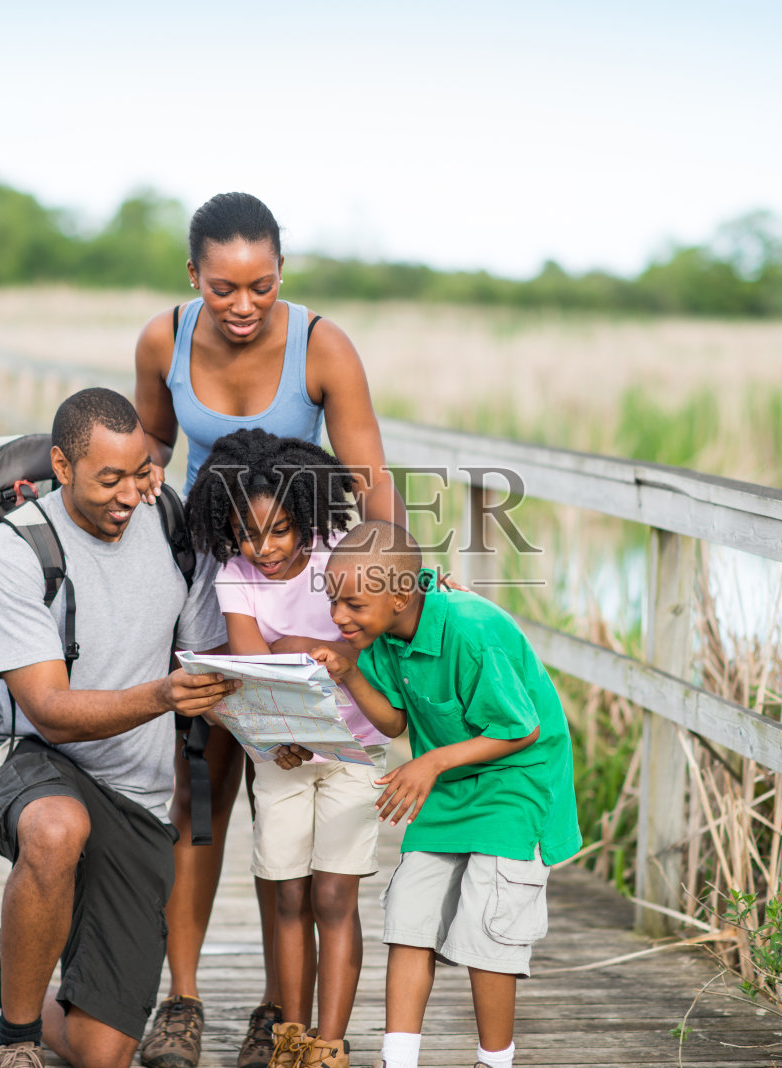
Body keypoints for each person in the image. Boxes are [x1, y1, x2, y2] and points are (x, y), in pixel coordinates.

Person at [132, 192, 405, 1068]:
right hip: (214, 580)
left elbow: (372, 485)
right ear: (193, 279)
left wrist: (394, 599)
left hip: (308, 583)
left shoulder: (323, 345)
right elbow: (145, 468)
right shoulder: (160, 340)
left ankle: (278, 1014)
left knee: (280, 790)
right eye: (222, 289)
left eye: (262, 286)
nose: (243, 306)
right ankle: (182, 1000)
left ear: (282, 275)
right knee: (200, 792)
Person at [0, 388, 237, 1068]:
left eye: (139, 472)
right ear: (62, 464)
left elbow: (211, 655)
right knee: (56, 831)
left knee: (100, 1053)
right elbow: (48, 709)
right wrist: (163, 694)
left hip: (136, 794)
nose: (127, 495)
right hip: (38, 759)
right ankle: (17, 1041)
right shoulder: (14, 550)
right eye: (107, 478)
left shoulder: (172, 524)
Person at [301, 521, 582, 1068]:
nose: (338, 617)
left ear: (401, 596)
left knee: (488, 930)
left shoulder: (472, 629)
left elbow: (519, 729)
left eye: (352, 604)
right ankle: (398, 1059)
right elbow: (393, 723)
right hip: (449, 787)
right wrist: (349, 674)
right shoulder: (381, 637)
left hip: (515, 786)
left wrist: (431, 762)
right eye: (332, 600)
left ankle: (493, 1062)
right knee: (409, 916)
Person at [187, 429, 389, 1068]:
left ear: (306, 517)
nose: (263, 549)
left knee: (334, 895)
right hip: (282, 754)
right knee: (289, 894)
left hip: (353, 751)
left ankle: (331, 1043)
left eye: (278, 531)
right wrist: (299, 662)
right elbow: (249, 667)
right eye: (247, 534)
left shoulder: (342, 554)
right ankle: (290, 1038)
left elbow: (374, 638)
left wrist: (315, 653)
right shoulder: (235, 574)